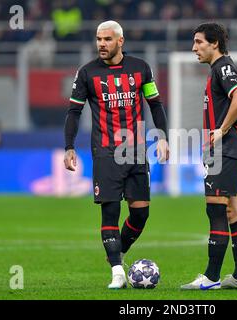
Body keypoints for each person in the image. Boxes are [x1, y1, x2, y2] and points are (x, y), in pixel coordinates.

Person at [63, 20, 169, 289]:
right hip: (105, 152)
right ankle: (117, 271)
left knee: (140, 215)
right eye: (99, 39)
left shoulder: (141, 68)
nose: (101, 44)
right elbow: (74, 112)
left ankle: (117, 253)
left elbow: (155, 105)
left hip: (135, 151)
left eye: (107, 39)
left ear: (120, 41)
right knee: (109, 213)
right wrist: (69, 146)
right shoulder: (87, 73)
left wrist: (163, 137)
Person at [181, 23, 237, 290]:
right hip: (233, 146)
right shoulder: (218, 69)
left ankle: (211, 278)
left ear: (214, 44)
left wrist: (221, 130)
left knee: (216, 208)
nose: (194, 47)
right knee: (234, 209)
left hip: (228, 147)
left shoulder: (223, 67)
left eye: (199, 42)